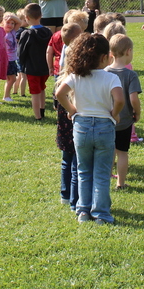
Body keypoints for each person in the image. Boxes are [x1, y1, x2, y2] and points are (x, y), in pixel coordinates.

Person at [54, 34, 124, 224]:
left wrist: (72, 110)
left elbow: (59, 93)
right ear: (104, 57)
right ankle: (101, 213)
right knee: (101, 172)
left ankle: (83, 211)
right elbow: (119, 100)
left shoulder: (75, 76)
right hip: (104, 127)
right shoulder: (111, 77)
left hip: (81, 126)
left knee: (83, 170)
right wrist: (114, 113)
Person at [53, 22, 85, 210]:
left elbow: (57, 102)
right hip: (75, 126)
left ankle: (65, 195)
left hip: (64, 128)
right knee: (76, 164)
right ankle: (74, 199)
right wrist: (72, 110)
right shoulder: (76, 80)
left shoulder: (61, 79)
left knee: (67, 161)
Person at [105, 34, 141, 190]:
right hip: (125, 120)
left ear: (111, 53)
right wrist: (137, 112)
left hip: (107, 119)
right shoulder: (131, 75)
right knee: (122, 152)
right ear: (128, 51)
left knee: (109, 150)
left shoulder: (104, 72)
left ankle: (105, 179)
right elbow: (133, 98)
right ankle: (121, 183)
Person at [17, 3, 53, 120]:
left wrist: (22, 63)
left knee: (35, 92)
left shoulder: (26, 34)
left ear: (26, 18)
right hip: (45, 67)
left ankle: (37, 116)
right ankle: (42, 111)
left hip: (32, 68)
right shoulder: (48, 32)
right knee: (42, 88)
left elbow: (21, 52)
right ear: (41, 15)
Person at [2, 12, 23, 103]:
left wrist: (12, 17)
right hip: (7, 59)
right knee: (12, 78)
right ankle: (6, 96)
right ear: (2, 23)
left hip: (12, 59)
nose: (10, 25)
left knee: (11, 79)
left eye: (12, 23)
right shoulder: (2, 33)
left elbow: (20, 23)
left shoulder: (13, 32)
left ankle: (7, 95)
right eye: (8, 22)